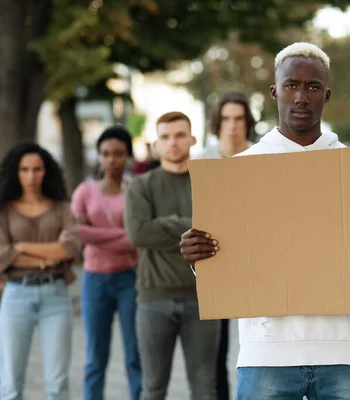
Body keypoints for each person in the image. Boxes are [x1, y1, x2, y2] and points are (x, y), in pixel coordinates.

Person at [179, 42, 350, 400]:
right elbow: (227, 261)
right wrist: (200, 257)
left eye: (313, 87)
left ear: (327, 95)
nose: (301, 96)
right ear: (274, 92)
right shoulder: (239, 172)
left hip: (346, 352)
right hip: (266, 352)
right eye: (291, 85)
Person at [124, 111, 220, 400]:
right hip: (154, 298)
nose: (173, 142)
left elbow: (218, 233)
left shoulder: (208, 182)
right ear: (156, 145)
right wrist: (190, 227)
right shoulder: (141, 185)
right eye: (165, 137)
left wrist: (164, 224)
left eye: (180, 135)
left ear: (192, 138)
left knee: (205, 387)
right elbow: (139, 234)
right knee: (153, 387)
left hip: (203, 300)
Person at [0, 142, 81, 400]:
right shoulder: (4, 210)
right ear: (16, 172)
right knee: (11, 384)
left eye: (37, 169)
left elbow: (70, 249)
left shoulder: (61, 208)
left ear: (47, 171)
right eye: (24, 169)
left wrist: (20, 248)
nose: (31, 176)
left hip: (55, 295)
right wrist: (49, 255)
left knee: (57, 384)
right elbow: (1, 255)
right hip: (16, 295)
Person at [71, 127, 141, 400]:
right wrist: (125, 235)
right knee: (94, 359)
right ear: (98, 157)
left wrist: (96, 235)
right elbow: (77, 234)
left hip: (131, 279)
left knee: (135, 356)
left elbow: (140, 238)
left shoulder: (136, 189)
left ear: (128, 157)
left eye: (118, 154)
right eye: (105, 154)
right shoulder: (85, 192)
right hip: (94, 280)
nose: (111, 159)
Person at [198, 90, 256, 400]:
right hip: (215, 264)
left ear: (247, 122)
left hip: (255, 262)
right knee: (215, 354)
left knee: (255, 349)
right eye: (226, 118)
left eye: (238, 118)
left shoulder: (261, 157)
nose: (232, 125)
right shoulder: (203, 161)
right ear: (217, 122)